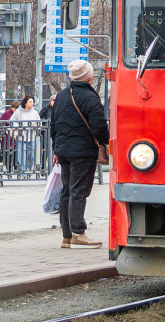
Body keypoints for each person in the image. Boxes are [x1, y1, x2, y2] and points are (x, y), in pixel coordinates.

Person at [50, 59, 110, 249]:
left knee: (67, 191)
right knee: (79, 191)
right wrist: (104, 143)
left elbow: (54, 124)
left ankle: (66, 236)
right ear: (89, 78)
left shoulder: (61, 95)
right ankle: (79, 233)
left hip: (64, 151)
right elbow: (99, 126)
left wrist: (56, 149)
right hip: (82, 151)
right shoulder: (91, 98)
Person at [10, 95, 38, 171]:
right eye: (30, 102)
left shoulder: (35, 112)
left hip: (32, 136)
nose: (32, 104)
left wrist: (36, 126)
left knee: (32, 154)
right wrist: (18, 126)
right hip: (21, 136)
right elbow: (12, 121)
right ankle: (23, 171)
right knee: (22, 154)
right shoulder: (18, 112)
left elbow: (39, 123)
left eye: (33, 102)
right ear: (25, 103)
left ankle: (29, 167)